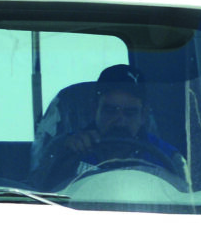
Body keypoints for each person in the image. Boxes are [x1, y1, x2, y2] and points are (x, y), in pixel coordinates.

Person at [37, 65, 185, 186]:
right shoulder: (64, 148)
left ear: (143, 115)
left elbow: (187, 204)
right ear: (95, 109)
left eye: (130, 113)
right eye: (110, 111)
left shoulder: (168, 157)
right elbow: (39, 195)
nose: (120, 121)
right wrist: (65, 159)